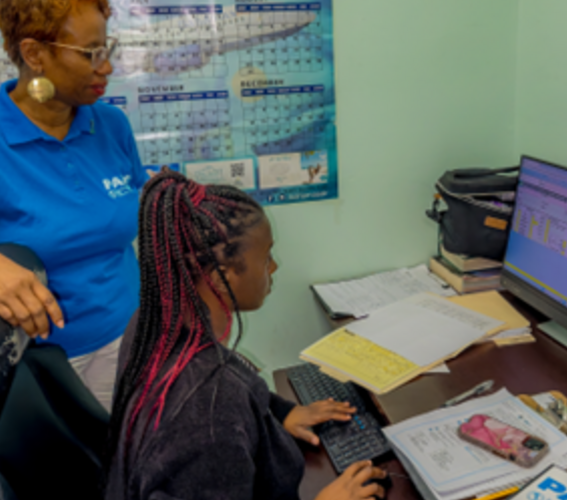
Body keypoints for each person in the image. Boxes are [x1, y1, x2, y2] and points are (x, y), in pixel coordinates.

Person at [0, 0, 147, 411]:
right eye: (90, 54)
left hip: (135, 339)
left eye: (107, 49)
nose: (107, 67)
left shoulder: (111, 124)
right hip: (48, 366)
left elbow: (138, 211)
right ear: (35, 54)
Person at [105, 171, 387, 500]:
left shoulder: (151, 323)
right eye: (266, 257)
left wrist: (281, 413)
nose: (274, 267)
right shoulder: (209, 406)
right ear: (222, 276)